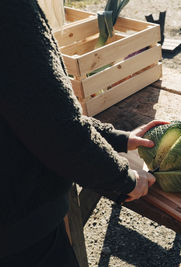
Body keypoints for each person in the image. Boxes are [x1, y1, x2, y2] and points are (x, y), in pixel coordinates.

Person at [0, 0, 168, 266]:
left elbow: (27, 110)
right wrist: (124, 180)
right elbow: (56, 129)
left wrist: (117, 139)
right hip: (19, 237)